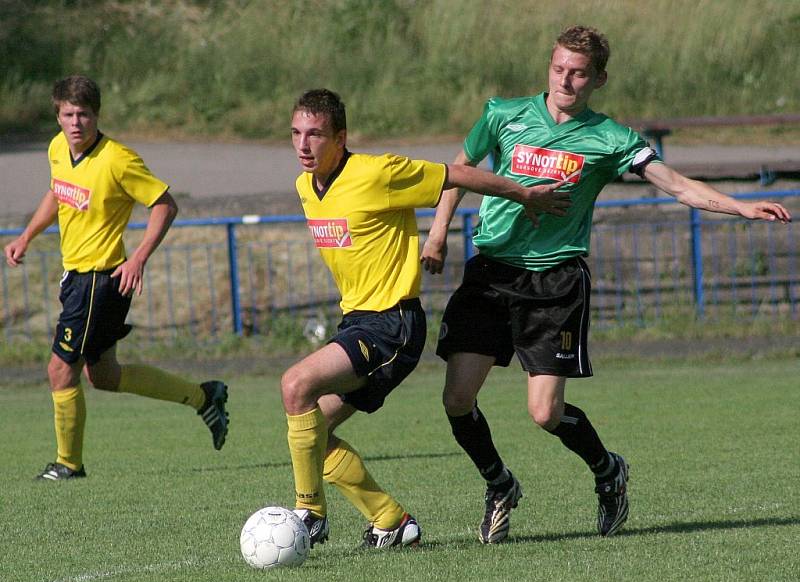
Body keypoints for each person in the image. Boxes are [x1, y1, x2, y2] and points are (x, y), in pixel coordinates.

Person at [421, 25, 792, 542]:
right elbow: (459, 170)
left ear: (598, 79)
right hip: (492, 273)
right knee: (457, 399)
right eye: (558, 69)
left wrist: (740, 207)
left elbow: (678, 185)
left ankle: (607, 470)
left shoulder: (611, 139)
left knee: (544, 413)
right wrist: (437, 235)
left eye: (578, 73)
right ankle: (500, 484)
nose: (565, 81)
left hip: (555, 282)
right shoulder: (503, 113)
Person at [284, 88, 571, 549]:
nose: (303, 144)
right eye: (296, 133)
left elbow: (460, 174)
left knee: (295, 385)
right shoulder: (305, 186)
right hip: (356, 321)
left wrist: (523, 195)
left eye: (315, 134)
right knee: (309, 431)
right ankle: (391, 520)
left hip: (391, 325)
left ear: (340, 137)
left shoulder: (378, 172)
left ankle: (309, 513)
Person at [3, 75, 230, 481]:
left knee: (60, 369)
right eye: (69, 114)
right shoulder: (58, 149)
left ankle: (68, 464)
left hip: (100, 281)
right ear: (57, 116)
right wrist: (26, 235)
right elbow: (57, 191)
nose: (76, 123)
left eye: (84, 114)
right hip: (77, 278)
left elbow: (165, 205)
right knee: (104, 376)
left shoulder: (117, 159)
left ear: (96, 116)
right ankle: (203, 396)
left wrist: (138, 257)